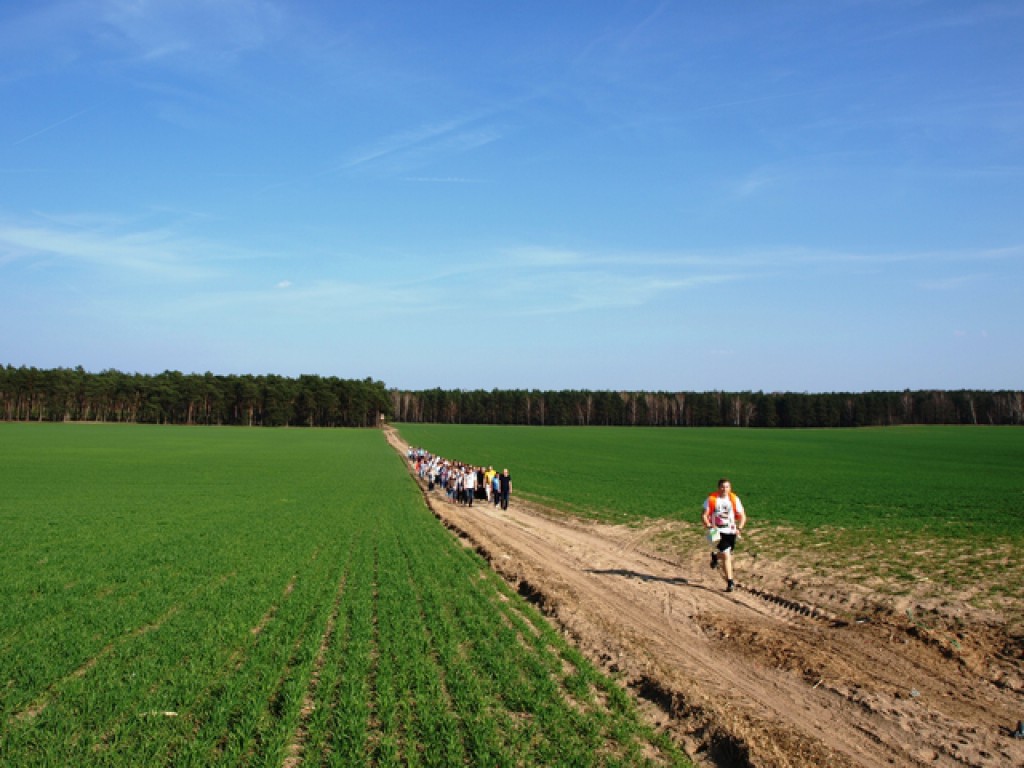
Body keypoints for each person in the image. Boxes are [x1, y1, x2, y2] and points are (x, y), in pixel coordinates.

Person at [702, 478, 746, 592]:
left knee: (726, 553)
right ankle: (730, 582)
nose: (724, 489)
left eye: (727, 487)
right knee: (727, 555)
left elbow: (742, 516)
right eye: (722, 487)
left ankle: (715, 557)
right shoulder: (712, 499)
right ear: (718, 488)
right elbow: (704, 515)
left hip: (731, 531)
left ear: (730, 488)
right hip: (716, 531)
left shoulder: (734, 499)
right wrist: (709, 525)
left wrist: (739, 528)